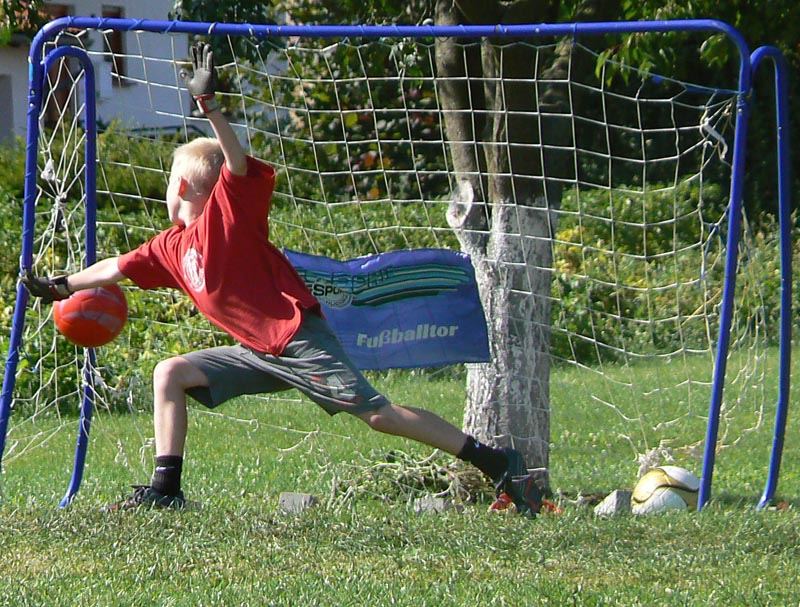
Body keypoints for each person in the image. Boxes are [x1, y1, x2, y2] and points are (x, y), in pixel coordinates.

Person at [22, 43, 542, 517]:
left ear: (180, 184)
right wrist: (63, 284)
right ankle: (166, 489)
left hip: (297, 341)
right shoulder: (169, 247)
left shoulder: (229, 215)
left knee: (379, 416)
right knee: (170, 372)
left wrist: (211, 109)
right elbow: (115, 267)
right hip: (258, 350)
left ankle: (499, 463)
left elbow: (236, 163)